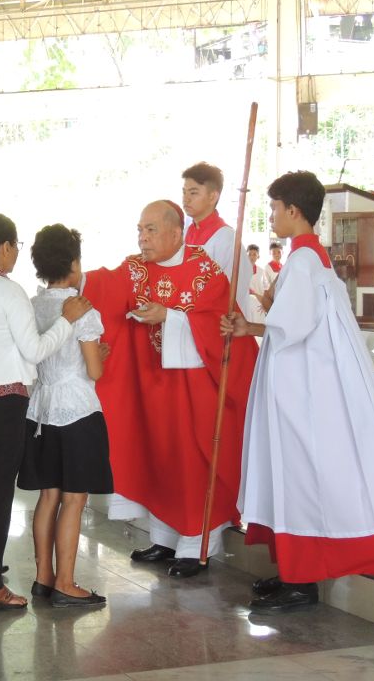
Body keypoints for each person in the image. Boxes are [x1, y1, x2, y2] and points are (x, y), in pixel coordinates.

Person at [221, 171, 374, 613]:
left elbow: (292, 326)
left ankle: (303, 581)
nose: (271, 216)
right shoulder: (309, 259)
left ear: (294, 211)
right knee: (293, 474)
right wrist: (253, 325)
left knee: (301, 477)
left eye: (275, 208)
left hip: (304, 391)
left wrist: (254, 323)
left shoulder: (304, 262)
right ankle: (293, 572)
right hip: (303, 384)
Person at [82, 200, 258, 578]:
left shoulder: (204, 272)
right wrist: (69, 276)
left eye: (151, 230)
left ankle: (196, 545)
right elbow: (102, 288)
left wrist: (172, 317)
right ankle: (163, 537)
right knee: (157, 456)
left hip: (194, 390)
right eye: (140, 230)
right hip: (150, 386)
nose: (143, 238)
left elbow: (220, 324)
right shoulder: (134, 269)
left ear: (176, 233)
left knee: (190, 460)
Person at [0, 213, 92, 611]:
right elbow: (35, 351)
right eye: (15, 247)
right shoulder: (7, 291)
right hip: (1, 408)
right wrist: (67, 321)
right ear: (6, 247)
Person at [19, 224, 112, 608]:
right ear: (74, 263)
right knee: (74, 500)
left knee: (48, 496)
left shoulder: (32, 304)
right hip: (76, 411)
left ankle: (43, 578)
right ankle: (67, 582)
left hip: (39, 409)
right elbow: (93, 371)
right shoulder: (82, 310)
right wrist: (101, 357)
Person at [181, 162, 252, 318]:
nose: (186, 199)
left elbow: (234, 292)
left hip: (213, 323)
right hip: (186, 320)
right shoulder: (184, 234)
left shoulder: (227, 239)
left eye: (193, 193)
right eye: (184, 192)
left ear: (213, 196)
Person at [246, 244, 268, 324]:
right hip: (247, 301)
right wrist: (255, 295)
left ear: (258, 256)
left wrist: (265, 302)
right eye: (249, 254)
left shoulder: (262, 271)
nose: (252, 257)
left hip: (260, 304)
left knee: (259, 325)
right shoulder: (241, 270)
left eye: (254, 254)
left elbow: (266, 288)